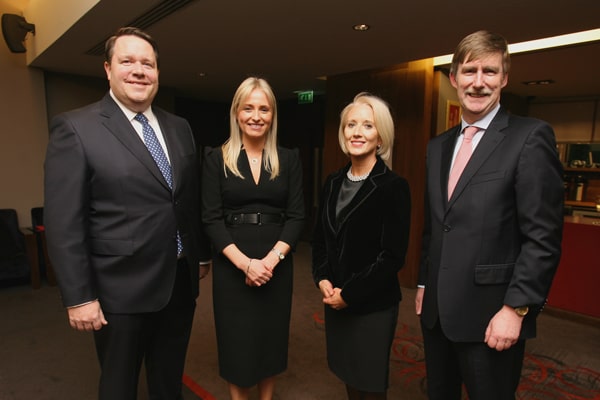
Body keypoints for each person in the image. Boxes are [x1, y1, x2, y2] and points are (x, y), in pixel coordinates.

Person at [44, 27, 212, 399]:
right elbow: (63, 221)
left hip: (178, 286)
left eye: (147, 63)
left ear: (157, 72)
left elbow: (185, 200)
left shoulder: (179, 127)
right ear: (107, 69)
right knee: (119, 387)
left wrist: (198, 255)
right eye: (128, 61)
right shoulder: (76, 128)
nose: (139, 70)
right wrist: (78, 297)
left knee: (169, 384)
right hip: (118, 292)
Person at [415, 30, 564, 400]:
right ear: (454, 79)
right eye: (469, 72)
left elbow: (543, 237)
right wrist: (422, 284)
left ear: (504, 78)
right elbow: (435, 226)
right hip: (436, 312)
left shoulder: (529, 137)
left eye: (490, 72)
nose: (478, 82)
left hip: (493, 315)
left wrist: (516, 308)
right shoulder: (438, 146)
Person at [201, 77, 305, 400]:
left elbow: (298, 216)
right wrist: (246, 265)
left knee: (270, 339)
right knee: (236, 342)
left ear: (273, 115)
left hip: (277, 264)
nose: (256, 116)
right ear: (236, 113)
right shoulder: (215, 158)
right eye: (248, 108)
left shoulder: (288, 159)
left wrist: (271, 261)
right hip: (233, 264)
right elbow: (211, 218)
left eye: (264, 108)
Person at [312, 92, 411, 400]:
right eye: (351, 125)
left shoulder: (393, 187)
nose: (357, 132)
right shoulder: (332, 182)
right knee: (348, 376)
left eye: (367, 126)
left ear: (381, 136)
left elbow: (392, 256)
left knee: (369, 386)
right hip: (335, 299)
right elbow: (321, 240)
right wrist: (323, 278)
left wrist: (350, 295)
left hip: (372, 307)